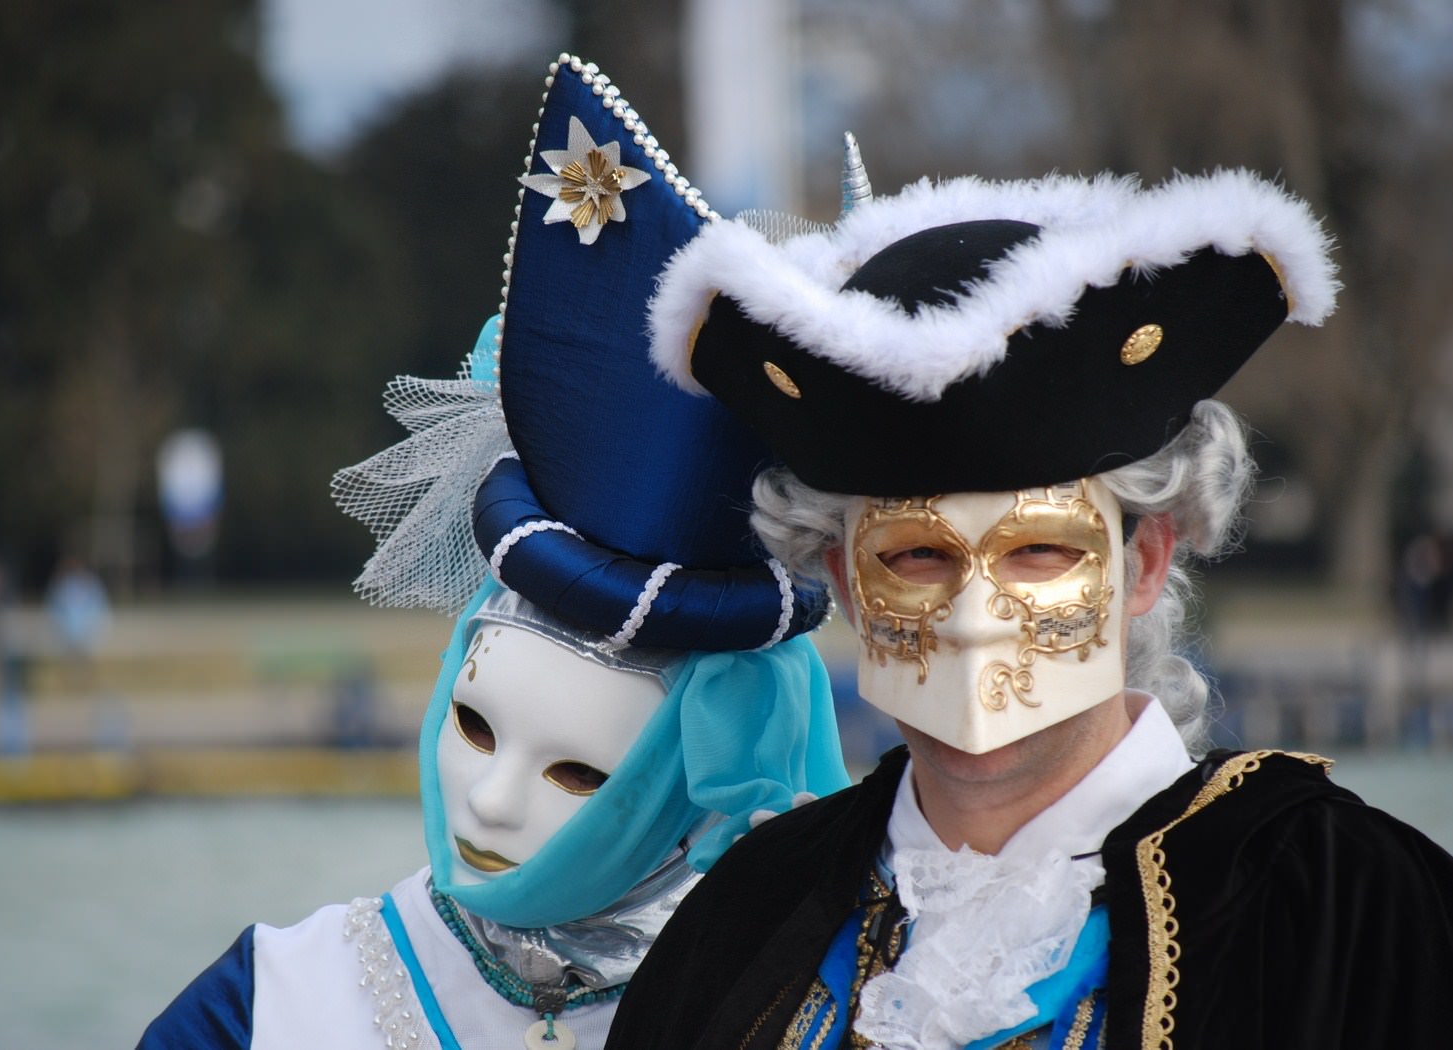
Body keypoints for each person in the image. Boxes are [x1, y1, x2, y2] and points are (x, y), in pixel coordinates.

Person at [605, 164, 1453, 1048]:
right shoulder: (748, 915)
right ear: (847, 583)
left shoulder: (1343, 904)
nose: (975, 617)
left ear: (1147, 563)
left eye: (1039, 550)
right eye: (917, 556)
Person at [136, 54, 848, 1050]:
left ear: (700, 780)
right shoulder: (269, 1009)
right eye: (474, 723)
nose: (492, 798)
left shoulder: (803, 1022)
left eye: (579, 775)